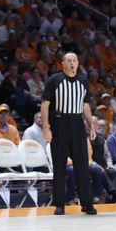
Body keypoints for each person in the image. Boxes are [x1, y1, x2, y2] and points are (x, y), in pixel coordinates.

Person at [41, 53, 97, 215]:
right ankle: (59, 204)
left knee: (82, 165)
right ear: (63, 64)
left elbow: (85, 105)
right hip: (59, 123)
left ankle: (87, 203)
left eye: (74, 60)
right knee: (59, 165)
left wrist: (91, 125)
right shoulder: (55, 80)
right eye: (69, 60)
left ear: (78, 63)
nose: (72, 63)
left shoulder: (83, 81)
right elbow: (45, 104)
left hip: (77, 124)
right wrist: (46, 126)